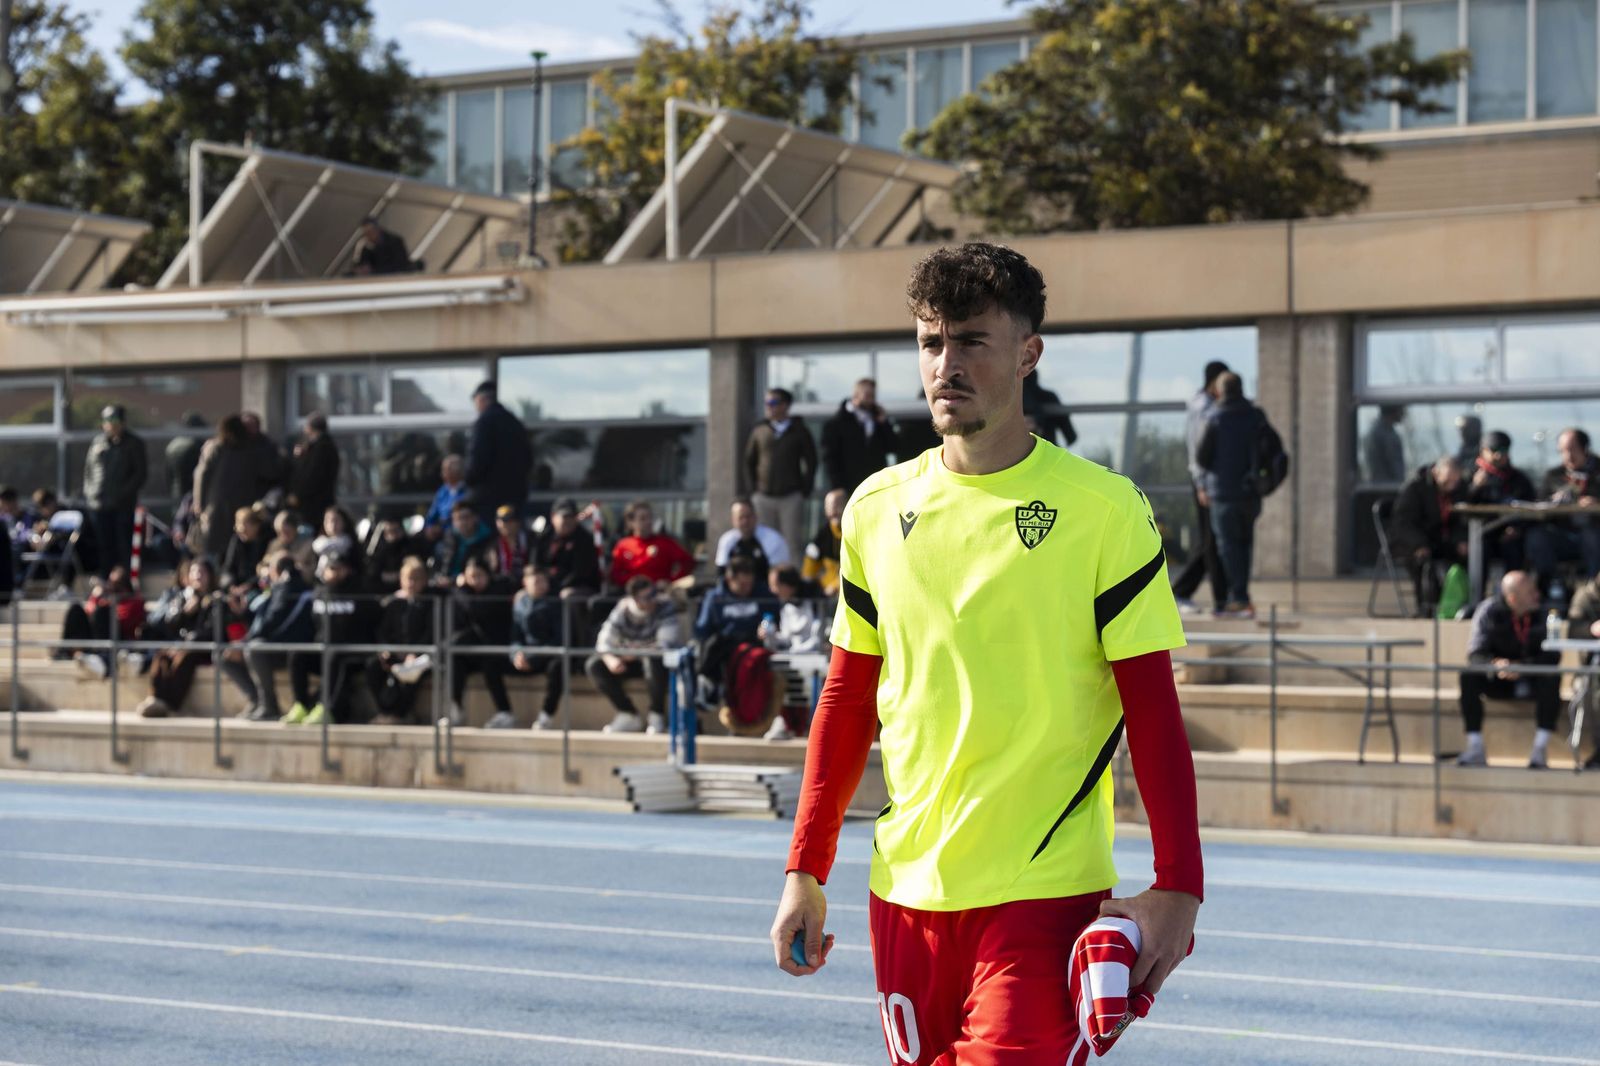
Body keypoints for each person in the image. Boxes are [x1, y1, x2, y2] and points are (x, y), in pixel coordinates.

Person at [770, 243, 1201, 1065]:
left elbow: (1152, 710)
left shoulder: (1105, 511)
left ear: (1028, 353)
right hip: (904, 893)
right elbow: (846, 700)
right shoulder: (873, 508)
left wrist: (1179, 882)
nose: (946, 364)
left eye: (971, 341)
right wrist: (806, 869)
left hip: (1043, 895)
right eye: (931, 343)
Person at [1456, 571, 1560, 769]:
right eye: (1530, 592)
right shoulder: (1489, 611)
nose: (1536, 595)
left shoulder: (1545, 613)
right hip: (1498, 680)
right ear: (1512, 598)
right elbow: (1475, 654)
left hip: (1531, 679)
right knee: (1468, 675)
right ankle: (1475, 746)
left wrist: (1522, 668)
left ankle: (1540, 749)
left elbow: (1552, 656)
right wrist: (1496, 665)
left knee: (1552, 676)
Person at [1197, 371, 1271, 619]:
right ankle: (1240, 596)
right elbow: (1271, 449)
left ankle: (1237, 599)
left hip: (1223, 494)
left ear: (1220, 391)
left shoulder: (1214, 417)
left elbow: (1201, 457)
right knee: (1245, 544)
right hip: (1250, 493)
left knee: (1227, 546)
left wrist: (1204, 485)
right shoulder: (1255, 416)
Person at [222, 553, 315, 722]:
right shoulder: (281, 587)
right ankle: (256, 700)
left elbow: (275, 622)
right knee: (224, 655)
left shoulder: (288, 587)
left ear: (277, 570)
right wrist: (243, 614)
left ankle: (269, 706)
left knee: (254, 649)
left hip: (290, 647)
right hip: (280, 644)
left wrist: (245, 642)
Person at [285, 552, 375, 726]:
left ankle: (326, 708)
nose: (334, 573)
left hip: (350, 653)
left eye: (338, 568)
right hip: (323, 649)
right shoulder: (319, 593)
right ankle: (301, 705)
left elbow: (371, 620)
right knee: (297, 654)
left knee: (334, 657)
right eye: (330, 568)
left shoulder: (360, 592)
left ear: (347, 570)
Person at [586, 574, 683, 734]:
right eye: (648, 597)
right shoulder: (623, 609)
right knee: (594, 665)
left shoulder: (665, 606)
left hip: (658, 664)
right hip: (627, 661)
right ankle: (627, 714)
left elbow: (665, 643)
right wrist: (610, 659)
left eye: (654, 594)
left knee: (653, 660)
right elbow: (604, 640)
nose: (653, 599)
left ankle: (656, 714)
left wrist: (635, 653)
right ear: (635, 600)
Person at [1170, 361, 1230, 615]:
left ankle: (1184, 591)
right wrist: (1202, 485)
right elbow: (1198, 450)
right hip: (1204, 484)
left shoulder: (1207, 405)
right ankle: (1184, 592)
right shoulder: (1203, 408)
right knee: (1211, 540)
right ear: (1214, 382)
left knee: (1211, 540)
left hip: (1207, 483)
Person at [136, 558, 221, 718]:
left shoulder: (215, 600)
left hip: (202, 647)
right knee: (162, 656)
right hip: (182, 644)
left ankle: (170, 704)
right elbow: (170, 624)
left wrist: (187, 643)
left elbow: (212, 631)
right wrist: (184, 612)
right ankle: (154, 698)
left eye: (202, 572)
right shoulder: (183, 597)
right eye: (194, 572)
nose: (198, 576)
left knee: (184, 656)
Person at [1388, 457, 1468, 615]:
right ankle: (1426, 609)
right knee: (1425, 563)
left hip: (1442, 541)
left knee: (1472, 556)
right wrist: (1419, 544)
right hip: (1412, 542)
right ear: (1436, 473)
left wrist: (1460, 540)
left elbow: (1461, 519)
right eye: (1447, 481)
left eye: (1455, 481)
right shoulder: (1415, 489)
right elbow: (1403, 523)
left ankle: (1462, 605)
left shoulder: (1459, 490)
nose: (1451, 486)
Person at [743, 387, 817, 559]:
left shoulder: (799, 430)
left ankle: (793, 583)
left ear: (785, 405)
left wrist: (804, 489)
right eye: (767, 403)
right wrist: (753, 490)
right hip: (763, 497)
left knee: (792, 543)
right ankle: (767, 582)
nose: (769, 407)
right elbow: (749, 462)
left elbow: (811, 461)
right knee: (765, 542)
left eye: (773, 402)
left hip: (791, 496)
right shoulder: (760, 430)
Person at [1526, 428, 1600, 594]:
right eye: (1563, 451)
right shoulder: (1554, 476)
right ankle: (1548, 589)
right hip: (1563, 535)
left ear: (1585, 448)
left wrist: (1596, 504)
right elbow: (1538, 506)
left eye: (1572, 449)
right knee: (1536, 537)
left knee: (1591, 536)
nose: (1568, 456)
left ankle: (1593, 594)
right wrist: (1554, 503)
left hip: (1594, 536)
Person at [194, 415, 277, 562]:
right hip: (238, 508)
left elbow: (202, 475)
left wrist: (199, 503)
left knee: (217, 548)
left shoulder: (217, 447)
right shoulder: (251, 449)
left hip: (219, 507)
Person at [365, 557, 437, 725]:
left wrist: (415, 653)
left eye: (416, 579)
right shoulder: (394, 603)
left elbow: (430, 634)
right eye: (407, 579)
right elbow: (383, 631)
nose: (411, 583)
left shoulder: (429, 603)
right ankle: (385, 711)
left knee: (412, 671)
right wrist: (385, 650)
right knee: (373, 666)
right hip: (396, 652)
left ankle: (400, 714)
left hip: (420, 656)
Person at [759, 566, 827, 742]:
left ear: (788, 584)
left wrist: (796, 651)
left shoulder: (814, 603)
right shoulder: (786, 607)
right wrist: (771, 634)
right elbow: (786, 639)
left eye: (776, 585)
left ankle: (812, 725)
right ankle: (784, 720)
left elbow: (818, 638)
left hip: (815, 658)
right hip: (792, 657)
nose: (773, 590)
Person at [446, 555, 515, 726]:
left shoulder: (498, 590)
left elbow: (475, 609)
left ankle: (505, 712)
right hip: (473, 649)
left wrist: (460, 589)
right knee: (455, 658)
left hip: (497, 648)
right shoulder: (464, 594)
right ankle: (455, 707)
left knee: (489, 663)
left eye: (479, 575)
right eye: (471, 577)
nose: (475, 581)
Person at [82, 404, 148, 575]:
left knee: (123, 545)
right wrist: (90, 493)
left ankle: (125, 581)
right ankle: (105, 580)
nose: (111, 424)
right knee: (103, 546)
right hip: (98, 504)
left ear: (123, 422)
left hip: (122, 506)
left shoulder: (133, 443)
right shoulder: (97, 442)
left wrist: (122, 494)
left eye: (115, 419)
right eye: (107, 420)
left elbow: (140, 474)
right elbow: (89, 471)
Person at [1466, 429, 1536, 578]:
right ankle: (1478, 598)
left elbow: (1532, 508)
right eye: (1494, 450)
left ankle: (1512, 598)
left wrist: (1517, 528)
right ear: (1483, 451)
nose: (1499, 455)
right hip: (1482, 534)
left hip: (1511, 534)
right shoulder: (1471, 475)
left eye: (1503, 450)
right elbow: (1461, 508)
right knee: (1479, 550)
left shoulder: (1519, 479)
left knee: (1514, 548)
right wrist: (1475, 488)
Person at [57, 566, 144, 681]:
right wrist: (95, 597)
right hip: (96, 636)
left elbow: (124, 621)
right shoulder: (104, 598)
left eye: (116, 584)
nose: (112, 587)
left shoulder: (134, 600)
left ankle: (100, 659)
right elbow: (88, 612)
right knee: (76, 609)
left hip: (119, 640)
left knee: (103, 612)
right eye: (110, 583)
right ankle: (66, 651)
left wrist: (108, 603)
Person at [506, 565, 565, 730]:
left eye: (542, 580)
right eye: (535, 581)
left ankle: (546, 714)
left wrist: (534, 657)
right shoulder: (520, 604)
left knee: (558, 666)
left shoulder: (556, 603)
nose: (539, 584)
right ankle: (504, 711)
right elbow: (515, 636)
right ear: (525, 583)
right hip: (525, 657)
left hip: (546, 655)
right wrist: (516, 654)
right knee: (491, 662)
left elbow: (560, 639)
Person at [465, 381, 531, 522]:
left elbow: (478, 460)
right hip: (516, 495)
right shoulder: (514, 422)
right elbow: (528, 458)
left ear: (482, 399)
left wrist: (468, 480)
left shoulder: (484, 422)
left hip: (489, 498)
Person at [821, 378, 899, 496]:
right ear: (856, 395)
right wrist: (837, 486)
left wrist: (884, 424)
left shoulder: (876, 420)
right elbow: (829, 457)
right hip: (848, 486)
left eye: (873, 395)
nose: (871, 399)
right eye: (867, 395)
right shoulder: (836, 422)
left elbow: (893, 447)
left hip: (874, 486)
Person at [608, 500, 695, 591]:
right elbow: (616, 574)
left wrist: (671, 581)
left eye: (650, 517)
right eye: (643, 518)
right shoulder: (623, 545)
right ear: (630, 522)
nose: (648, 522)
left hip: (659, 594)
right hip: (631, 595)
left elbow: (688, 562)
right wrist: (632, 582)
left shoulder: (665, 543)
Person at [1563, 571, 1600, 769]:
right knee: (1594, 690)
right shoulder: (1585, 597)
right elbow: (1573, 630)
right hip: (1591, 669)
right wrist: (1592, 629)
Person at [535, 497, 601, 600]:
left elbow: (579, 573)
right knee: (524, 595)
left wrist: (555, 586)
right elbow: (535, 565)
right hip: (545, 584)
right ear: (553, 517)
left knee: (567, 595)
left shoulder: (584, 539)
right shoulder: (544, 537)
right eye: (564, 516)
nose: (568, 521)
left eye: (571, 516)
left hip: (577, 587)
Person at [713, 497, 789, 587]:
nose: (745, 521)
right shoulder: (726, 540)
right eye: (741, 517)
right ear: (733, 520)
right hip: (733, 593)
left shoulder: (773, 539)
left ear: (755, 517)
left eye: (748, 516)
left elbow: (780, 577)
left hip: (764, 593)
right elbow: (721, 574)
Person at [285, 412, 341, 524]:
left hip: (314, 503)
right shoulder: (322, 446)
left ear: (311, 428)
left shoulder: (321, 448)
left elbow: (312, 475)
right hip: (319, 500)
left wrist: (298, 494)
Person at [434, 500, 495, 583]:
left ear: (476, 518)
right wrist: (441, 578)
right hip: (446, 585)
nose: (462, 522)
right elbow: (440, 568)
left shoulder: (489, 541)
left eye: (466, 517)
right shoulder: (447, 538)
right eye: (457, 518)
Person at [801, 489, 846, 598]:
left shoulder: (854, 531)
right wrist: (807, 587)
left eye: (837, 505)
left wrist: (836, 585)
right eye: (829, 506)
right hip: (827, 592)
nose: (833, 510)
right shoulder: (822, 536)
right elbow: (809, 567)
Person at [365, 515, 421, 593]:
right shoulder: (378, 548)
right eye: (388, 531)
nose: (392, 534)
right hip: (381, 589)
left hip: (403, 589)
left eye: (395, 530)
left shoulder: (410, 547)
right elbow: (373, 571)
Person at [220, 506, 270, 590]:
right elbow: (229, 567)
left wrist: (248, 586)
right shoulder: (237, 540)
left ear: (256, 526)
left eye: (245, 530)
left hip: (259, 586)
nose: (241, 532)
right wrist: (231, 585)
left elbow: (265, 569)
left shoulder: (267, 541)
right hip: (238, 586)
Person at [423, 455, 468, 542]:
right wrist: (429, 527)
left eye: (447, 469)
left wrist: (442, 529)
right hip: (438, 534)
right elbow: (432, 514)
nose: (442, 473)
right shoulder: (443, 491)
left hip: (458, 534)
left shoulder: (467, 491)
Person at [165, 412, 207, 502]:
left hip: (175, 489)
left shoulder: (173, 444)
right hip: (192, 490)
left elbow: (168, 472)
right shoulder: (197, 445)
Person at [1362, 404, 1408, 484]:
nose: (1403, 413)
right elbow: (1395, 469)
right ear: (1395, 410)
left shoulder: (1378, 430)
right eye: (1402, 409)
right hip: (1387, 490)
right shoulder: (1385, 434)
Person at [267, 509, 317, 581]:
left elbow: (313, 570)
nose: (282, 536)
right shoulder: (275, 544)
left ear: (295, 528)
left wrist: (292, 561)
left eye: (286, 532)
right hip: (276, 585)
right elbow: (264, 563)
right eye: (278, 532)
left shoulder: (308, 544)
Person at [311, 506, 357, 576]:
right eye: (328, 521)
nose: (332, 525)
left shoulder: (347, 540)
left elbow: (322, 547)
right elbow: (316, 546)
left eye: (336, 521)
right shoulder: (323, 539)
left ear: (344, 522)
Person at [491, 504, 532, 577]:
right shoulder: (491, 544)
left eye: (509, 521)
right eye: (500, 521)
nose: (504, 524)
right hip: (500, 583)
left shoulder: (530, 540)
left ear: (517, 522)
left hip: (526, 582)